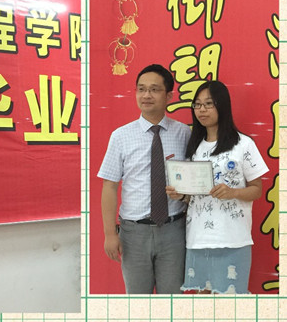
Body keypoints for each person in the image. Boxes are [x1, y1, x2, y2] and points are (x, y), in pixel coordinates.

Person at [167, 81, 268, 294]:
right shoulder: (194, 146)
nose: (202, 110)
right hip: (197, 239)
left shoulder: (243, 144)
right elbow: (193, 195)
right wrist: (180, 195)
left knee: (229, 304)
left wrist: (233, 192)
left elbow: (257, 189)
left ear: (222, 105)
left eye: (208, 104)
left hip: (233, 239)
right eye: (197, 104)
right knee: (202, 303)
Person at [98, 63, 190, 294]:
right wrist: (109, 234)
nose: (146, 95)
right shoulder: (120, 136)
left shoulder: (184, 133)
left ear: (169, 96)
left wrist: (185, 195)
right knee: (138, 302)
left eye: (154, 89)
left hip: (173, 230)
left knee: (173, 300)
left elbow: (193, 181)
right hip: (133, 233)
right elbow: (109, 186)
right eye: (141, 89)